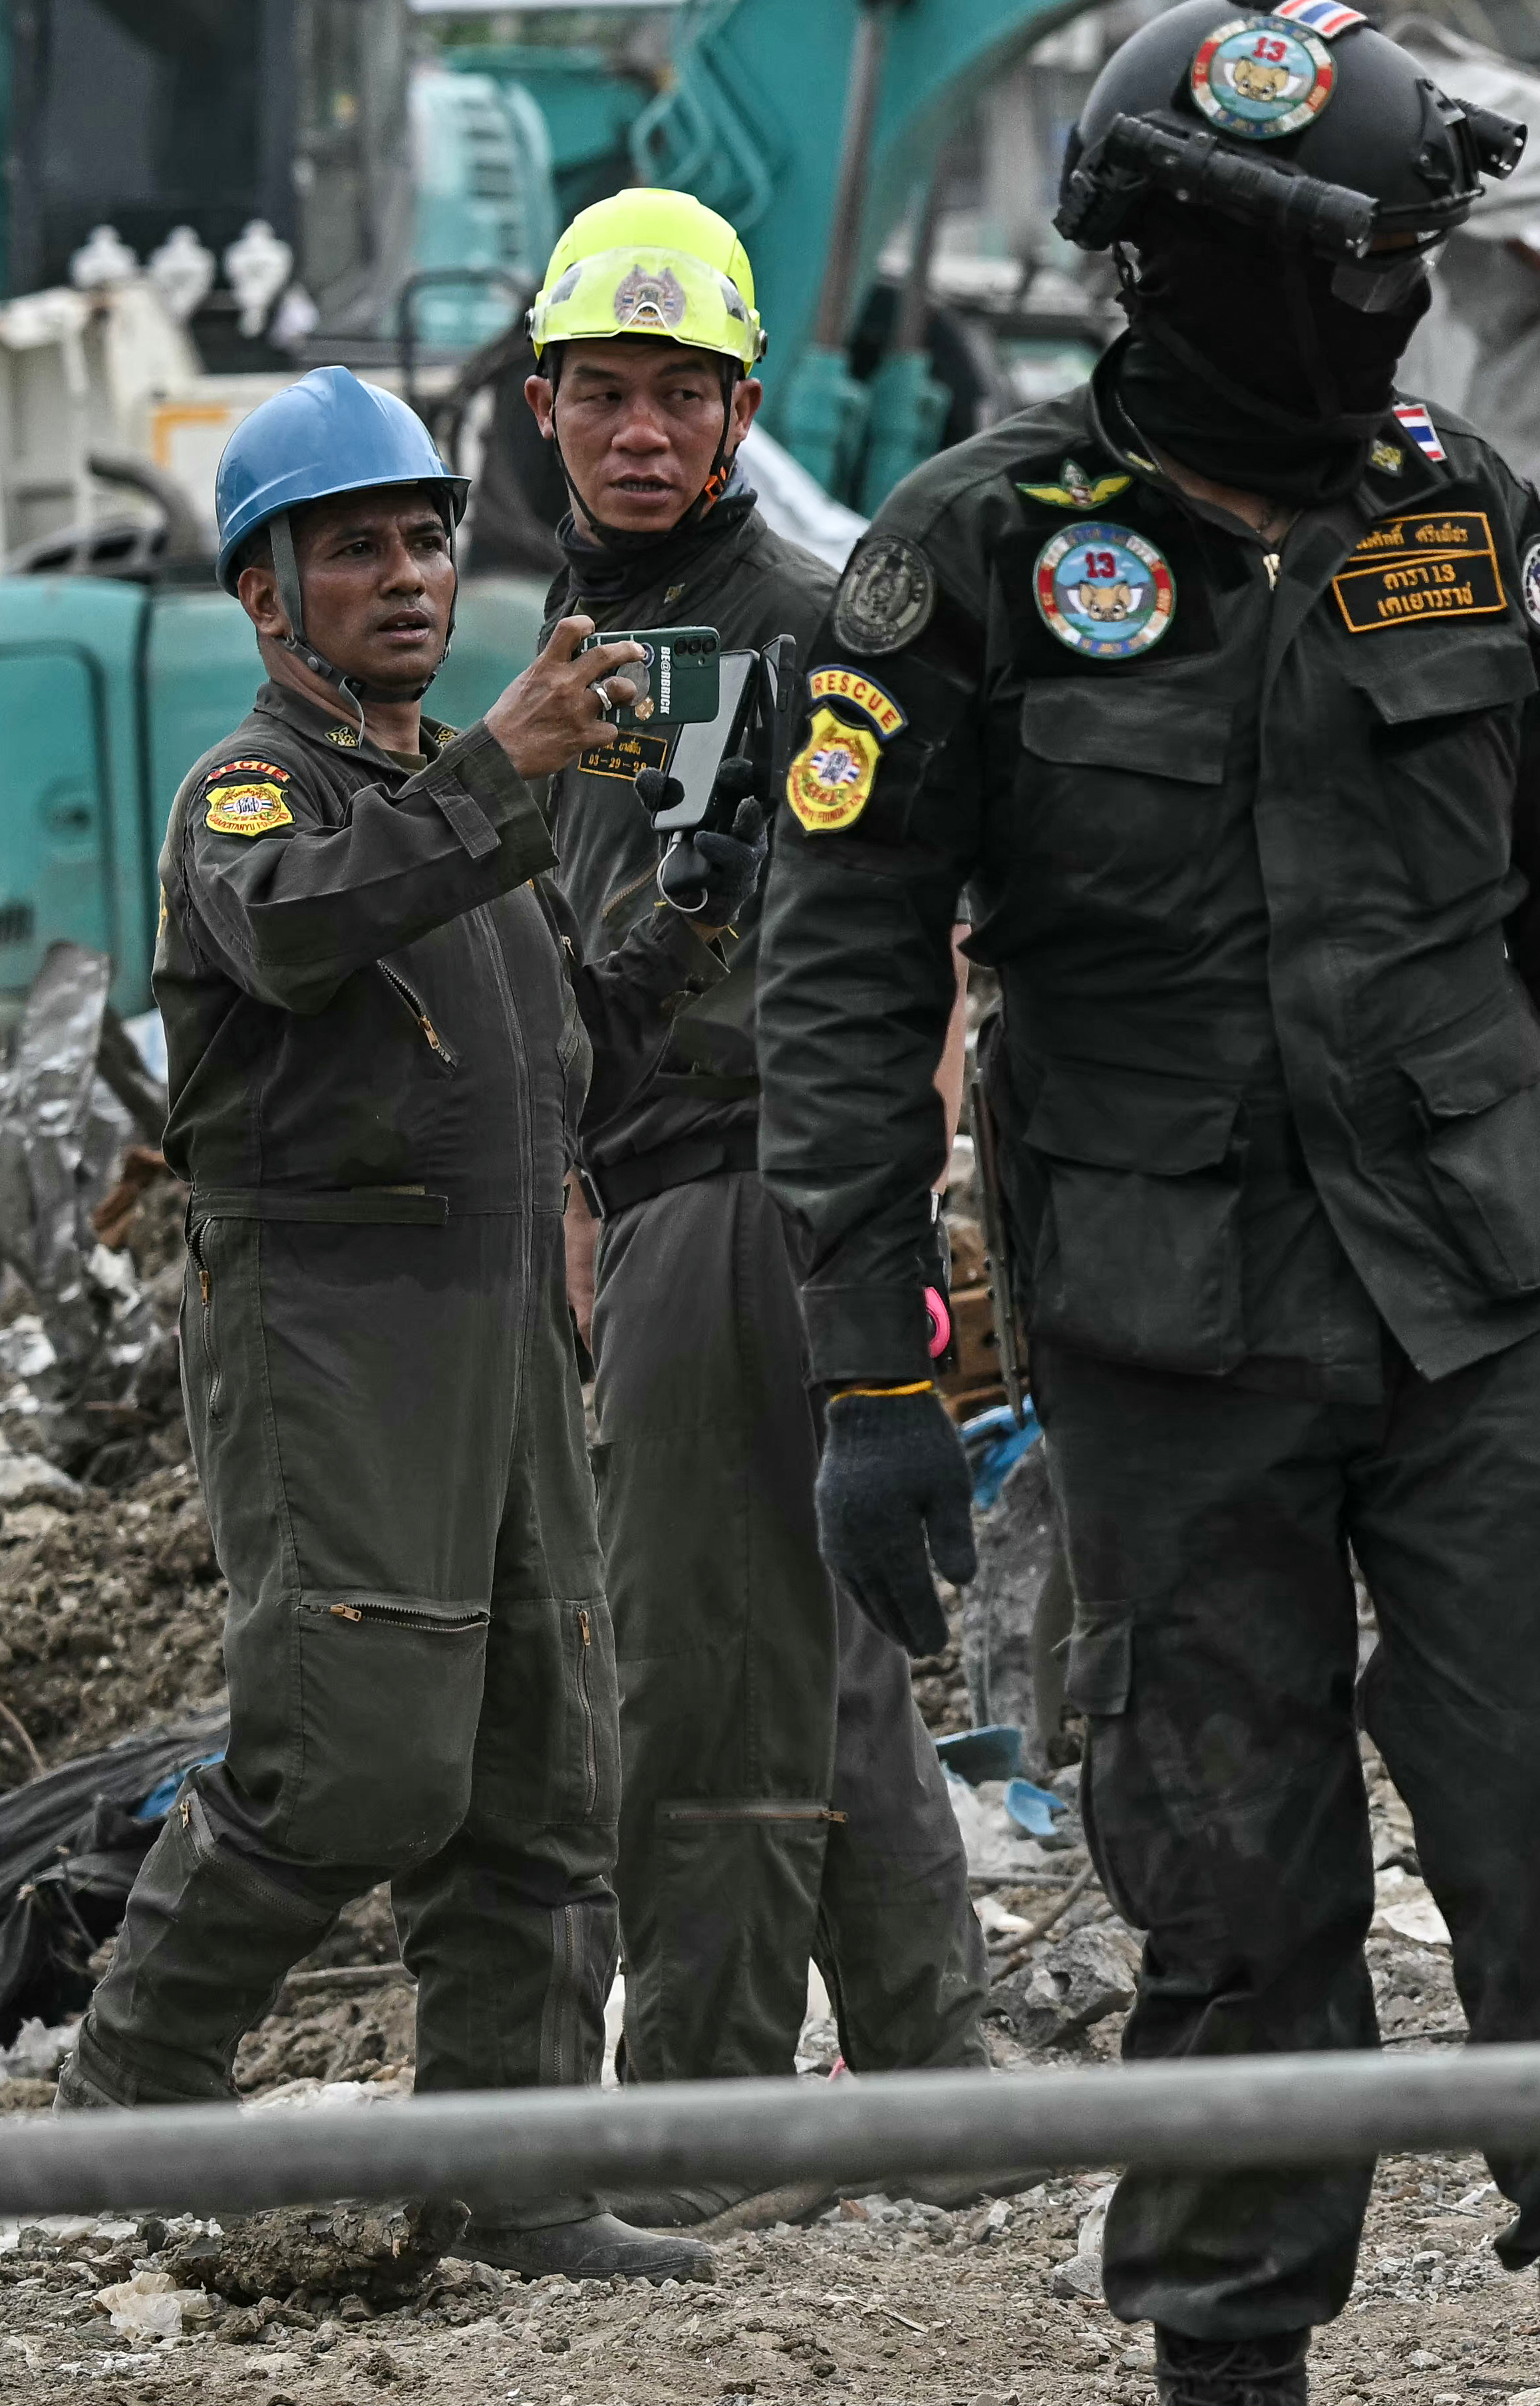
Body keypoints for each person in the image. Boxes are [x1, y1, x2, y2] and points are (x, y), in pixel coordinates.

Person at [758, 0, 1540, 2406]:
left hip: (1481, 1304)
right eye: (1355, 260)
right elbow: (846, 986)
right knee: (1228, 1882)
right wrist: (874, 1361)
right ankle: (1230, 2355)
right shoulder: (977, 558)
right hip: (1169, 1340)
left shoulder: (1459, 510)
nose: (1396, 300)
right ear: (1198, 261)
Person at [63, 370, 711, 2284]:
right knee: (357, 1750)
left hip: (501, 1321)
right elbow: (292, 927)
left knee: (540, 1758)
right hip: (335, 1328)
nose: (410, 573)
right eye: (357, 545)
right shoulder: (253, 791)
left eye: (427, 536)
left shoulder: (459, 816)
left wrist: (697, 904)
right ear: (268, 594)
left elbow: (563, 1043)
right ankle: (120, 2108)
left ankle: (509, 2175)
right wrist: (506, 773)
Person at [520, 189, 994, 2186]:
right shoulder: (585, 646)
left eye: (680, 397)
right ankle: (933, 2080)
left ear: (738, 413)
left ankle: (700, 2128)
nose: (643, 430)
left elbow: (907, 944)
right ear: (546, 405)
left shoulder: (791, 631)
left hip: (747, 1186)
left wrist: (903, 1181)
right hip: (663, 1187)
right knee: (830, 1644)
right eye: (608, 393)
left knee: (704, 1656)